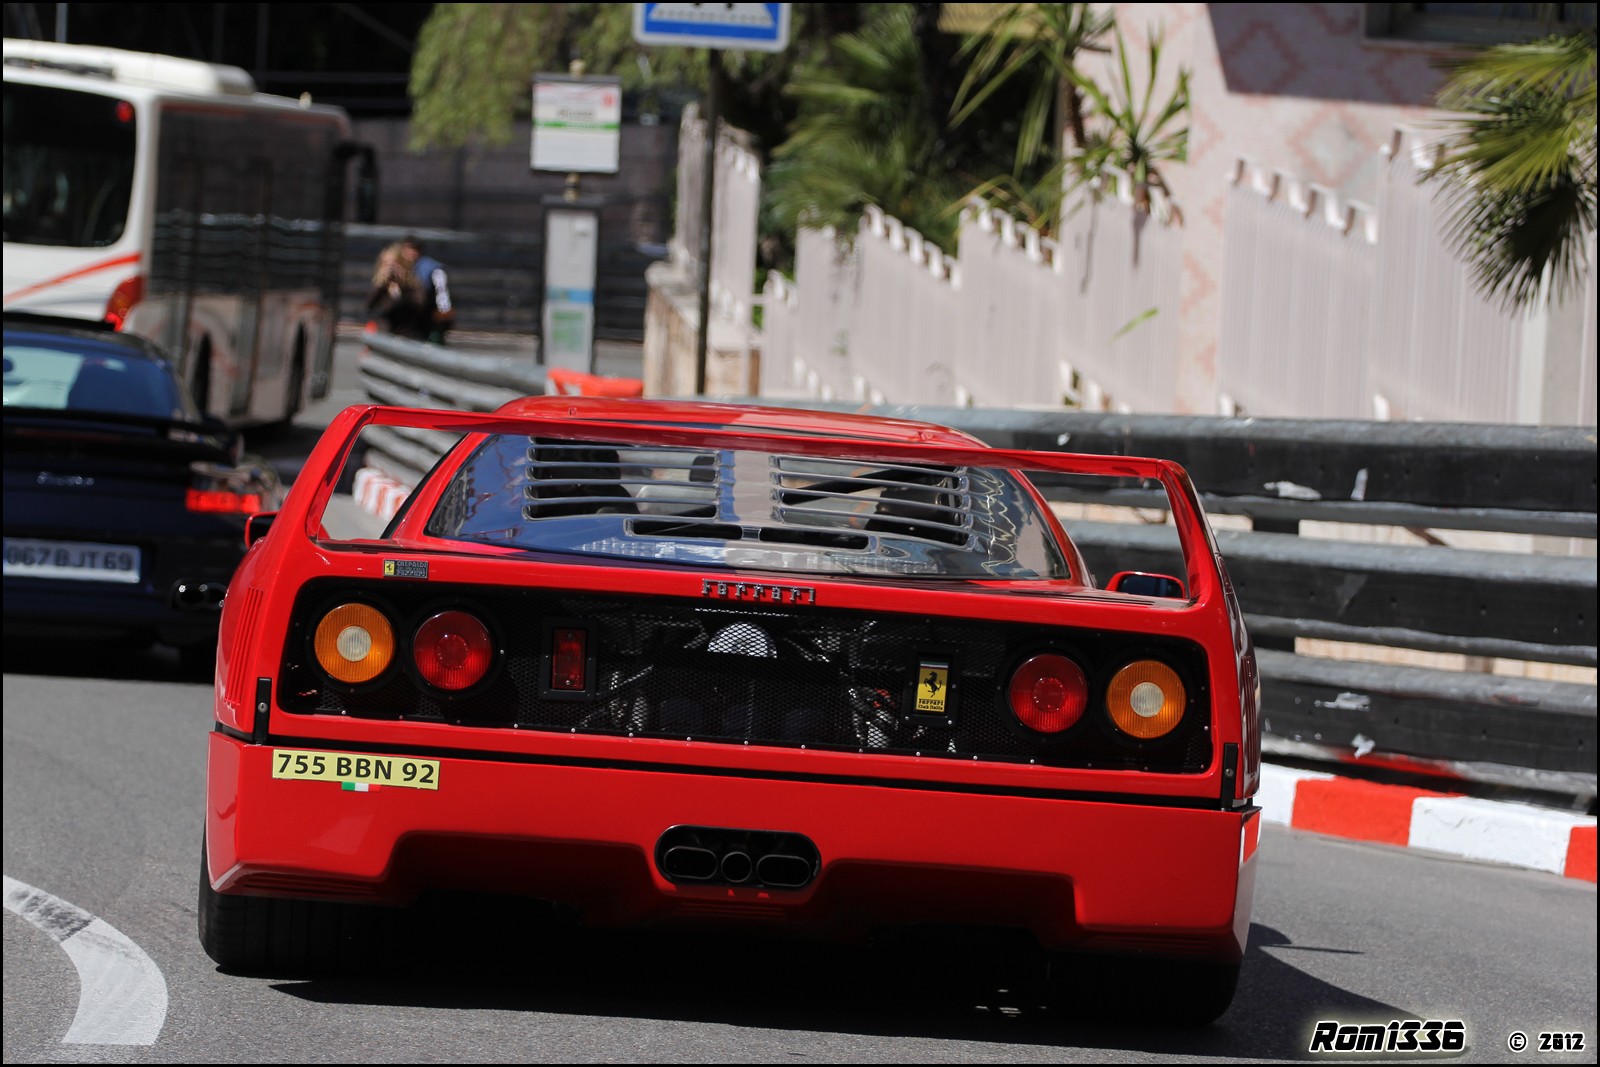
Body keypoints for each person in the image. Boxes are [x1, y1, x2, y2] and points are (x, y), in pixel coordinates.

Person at [399, 235, 455, 345]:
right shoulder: (401, 268)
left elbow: (441, 292)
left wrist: (444, 311)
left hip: (429, 314)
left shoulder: (433, 269)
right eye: (406, 250)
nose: (409, 254)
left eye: (412, 250)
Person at [365, 242, 426, 339]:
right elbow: (370, 306)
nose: (391, 269)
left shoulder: (413, 284)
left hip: (405, 335)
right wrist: (381, 285)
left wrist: (402, 286)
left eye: (395, 265)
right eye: (386, 264)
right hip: (383, 334)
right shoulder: (380, 286)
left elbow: (417, 307)